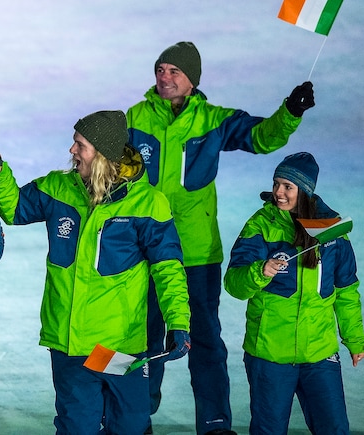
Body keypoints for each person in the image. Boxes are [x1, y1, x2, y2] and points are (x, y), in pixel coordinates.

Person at [126, 41, 315, 435]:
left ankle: (214, 424)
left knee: (205, 339)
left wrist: (290, 111)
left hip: (196, 253)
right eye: (160, 69)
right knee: (140, 336)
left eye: (174, 71)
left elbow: (261, 137)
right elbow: (103, 167)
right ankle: (135, 418)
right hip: (144, 250)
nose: (165, 77)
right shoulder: (134, 117)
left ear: (192, 80)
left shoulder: (212, 119)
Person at [0, 110, 192, 434]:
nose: (72, 151)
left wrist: (178, 321)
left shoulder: (148, 203)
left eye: (80, 145)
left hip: (118, 346)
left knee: (131, 424)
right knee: (77, 425)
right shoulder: (57, 188)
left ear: (104, 155)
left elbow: (168, 270)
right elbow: (17, 209)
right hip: (71, 344)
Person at [223, 152, 364, 435]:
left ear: (305, 191)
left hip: (319, 354)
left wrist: (355, 339)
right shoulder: (260, 225)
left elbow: (347, 291)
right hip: (269, 355)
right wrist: (259, 272)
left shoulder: (332, 231)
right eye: (277, 183)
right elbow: (233, 284)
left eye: (288, 186)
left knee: (334, 429)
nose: (278, 192)